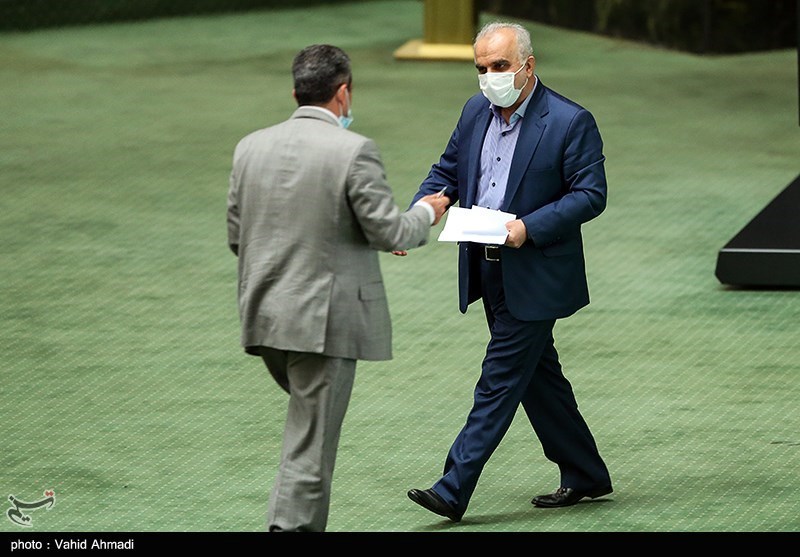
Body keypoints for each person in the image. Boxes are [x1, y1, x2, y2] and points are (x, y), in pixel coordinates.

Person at [226, 44, 449, 532]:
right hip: (320, 326)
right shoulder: (353, 150)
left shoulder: (250, 147)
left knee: (304, 428)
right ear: (343, 93)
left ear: (296, 93)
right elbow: (390, 231)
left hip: (264, 317)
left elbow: (237, 236)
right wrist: (427, 211)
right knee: (310, 444)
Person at [403, 21, 612, 522]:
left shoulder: (569, 121)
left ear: (528, 66)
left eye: (500, 66)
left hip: (536, 272)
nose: (490, 77)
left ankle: (453, 488)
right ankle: (586, 473)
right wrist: (421, 211)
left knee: (498, 380)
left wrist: (528, 227)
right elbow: (448, 171)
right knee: (539, 379)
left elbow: (590, 194)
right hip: (487, 268)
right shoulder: (475, 111)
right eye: (482, 68)